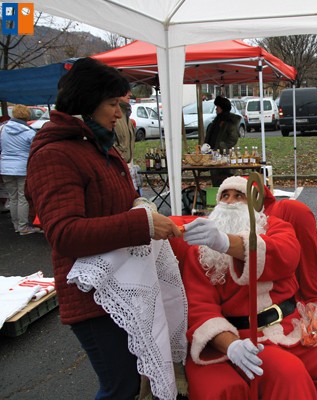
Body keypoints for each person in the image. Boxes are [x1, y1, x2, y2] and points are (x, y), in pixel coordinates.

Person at [25, 57, 182, 399]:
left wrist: (140, 206)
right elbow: (65, 234)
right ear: (86, 101)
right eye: (112, 104)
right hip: (91, 296)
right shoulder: (55, 155)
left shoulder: (97, 147)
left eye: (121, 105)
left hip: (120, 285)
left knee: (130, 381)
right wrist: (140, 222)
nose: (118, 114)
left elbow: (116, 205)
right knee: (119, 385)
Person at [180, 176, 317, 400]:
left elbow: (287, 256)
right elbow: (201, 309)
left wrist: (227, 243)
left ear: (255, 205)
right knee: (289, 373)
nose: (231, 201)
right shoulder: (200, 253)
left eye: (239, 195)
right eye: (225, 196)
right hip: (250, 340)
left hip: (295, 327)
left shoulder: (276, 228)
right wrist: (232, 346)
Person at [0, 104, 40, 235]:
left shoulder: (2, 129)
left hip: (5, 167)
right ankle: (23, 227)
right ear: (26, 116)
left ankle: (16, 225)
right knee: (22, 197)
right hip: (22, 168)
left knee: (13, 197)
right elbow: (35, 150)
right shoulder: (29, 132)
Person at [204, 95, 241, 186]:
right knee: (215, 181)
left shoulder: (229, 122)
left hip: (224, 156)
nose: (216, 109)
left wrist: (221, 146)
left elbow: (233, 139)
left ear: (222, 108)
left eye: (218, 107)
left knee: (224, 181)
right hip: (213, 154)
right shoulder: (216, 121)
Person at [114, 90, 136, 163]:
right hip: (115, 166)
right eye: (126, 91)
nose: (130, 94)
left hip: (125, 166)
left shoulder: (126, 116)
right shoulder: (112, 116)